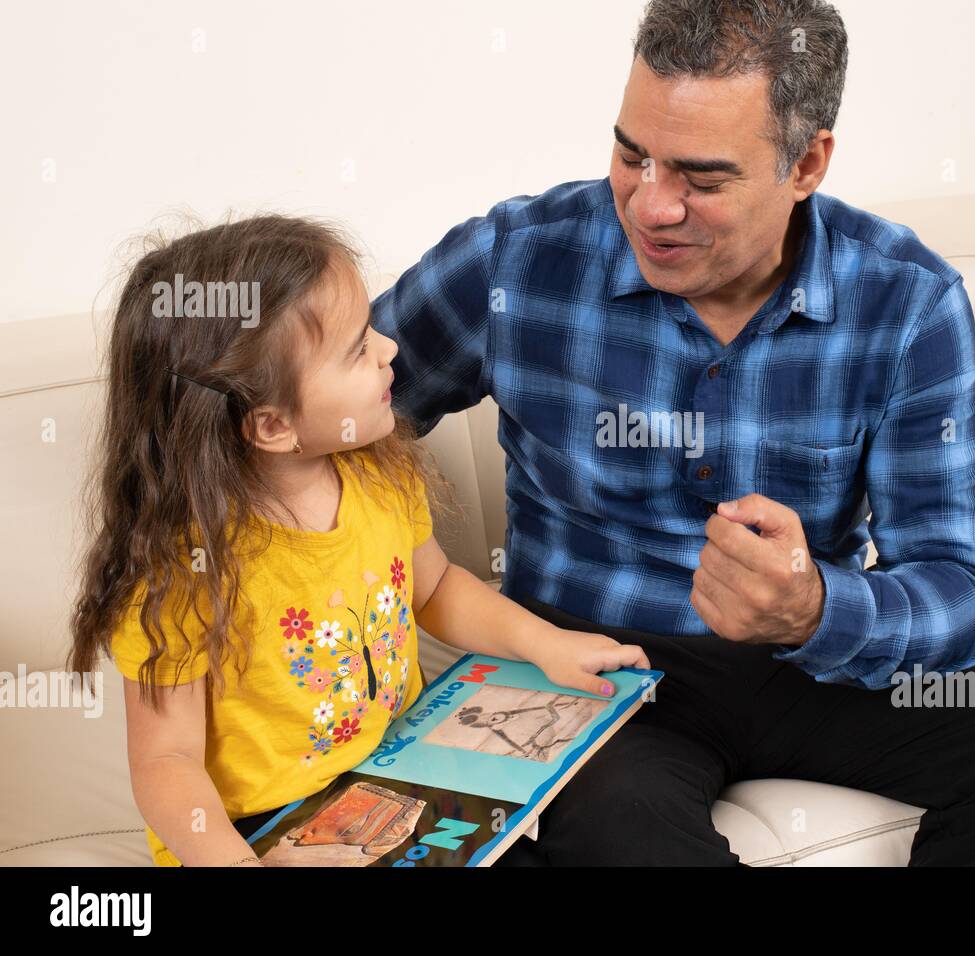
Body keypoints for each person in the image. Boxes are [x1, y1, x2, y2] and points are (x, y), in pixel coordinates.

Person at [370, 0, 975, 865]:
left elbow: (962, 584)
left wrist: (814, 606)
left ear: (805, 162)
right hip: (589, 665)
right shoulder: (516, 258)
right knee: (632, 841)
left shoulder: (907, 301)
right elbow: (334, 413)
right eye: (631, 154)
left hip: (813, 654)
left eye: (700, 177)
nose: (650, 205)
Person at [66, 214, 648, 867]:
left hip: (399, 781)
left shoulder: (381, 472)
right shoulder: (182, 569)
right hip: (259, 834)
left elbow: (438, 588)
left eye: (371, 325)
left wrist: (547, 645)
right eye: (355, 348)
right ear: (272, 425)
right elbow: (164, 762)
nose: (389, 349)